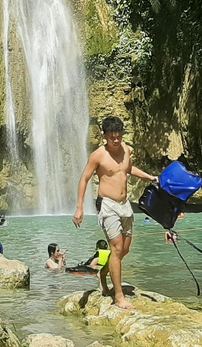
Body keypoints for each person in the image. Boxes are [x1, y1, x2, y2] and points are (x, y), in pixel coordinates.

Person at [73, 116, 158, 310]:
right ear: (104, 136)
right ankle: (118, 296)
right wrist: (79, 207)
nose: (116, 140)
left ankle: (103, 273)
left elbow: (127, 169)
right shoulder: (98, 156)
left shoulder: (127, 150)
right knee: (117, 248)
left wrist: (149, 177)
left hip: (125, 205)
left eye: (119, 136)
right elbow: (84, 179)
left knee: (124, 250)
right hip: (107, 205)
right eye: (112, 137)